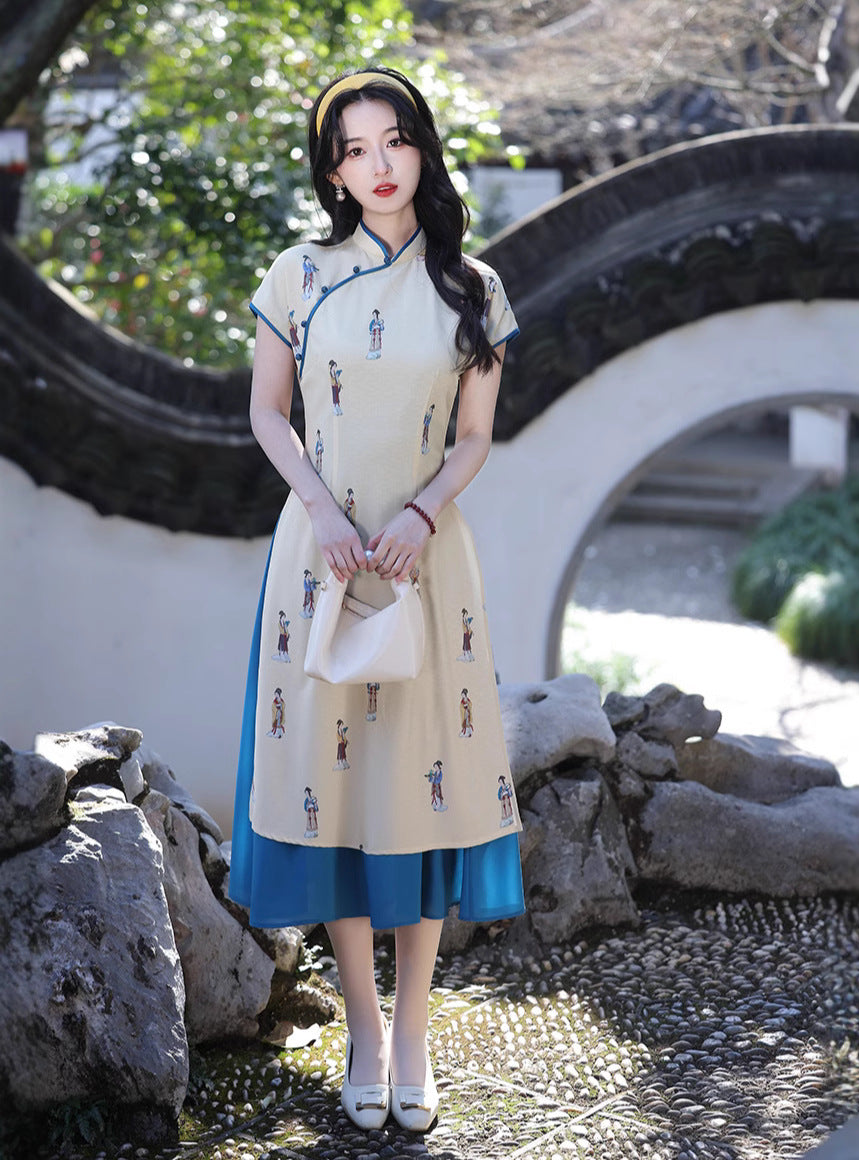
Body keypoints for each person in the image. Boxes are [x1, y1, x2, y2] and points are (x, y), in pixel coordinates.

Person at [229, 66, 524, 1134]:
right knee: (335, 791)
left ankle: (414, 1032)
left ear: (421, 148)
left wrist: (419, 515)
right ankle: (360, 1025)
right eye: (354, 149)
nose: (379, 163)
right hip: (319, 559)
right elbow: (269, 413)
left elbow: (477, 435)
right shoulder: (297, 273)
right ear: (334, 172)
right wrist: (325, 508)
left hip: (426, 564)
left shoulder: (472, 287)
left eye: (394, 139)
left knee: (416, 785)